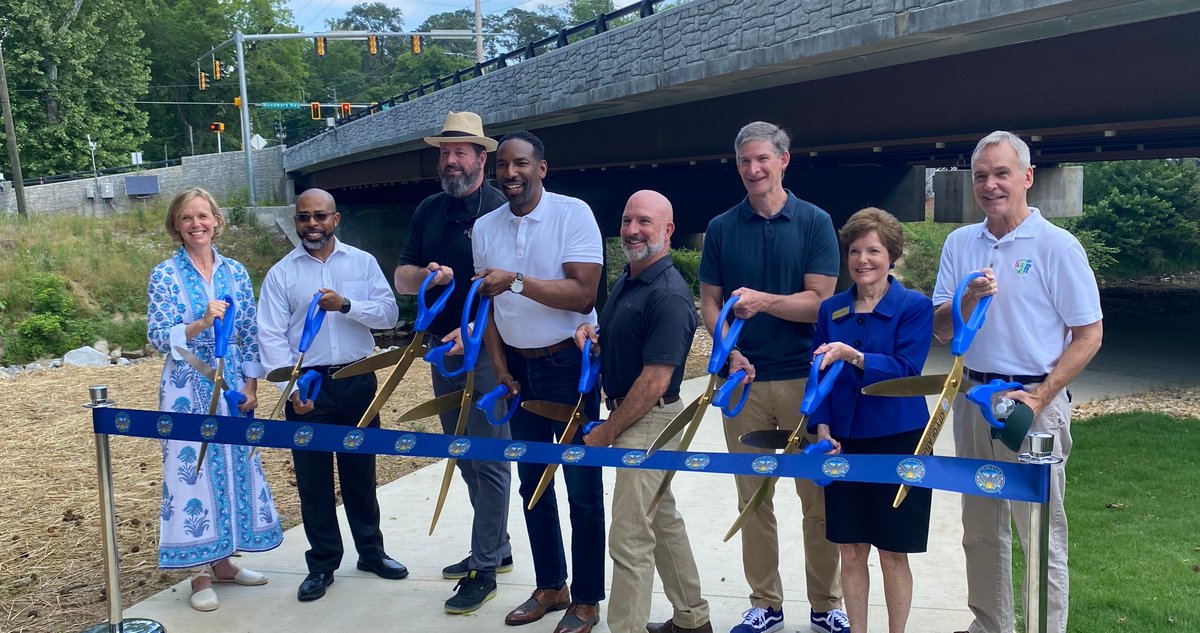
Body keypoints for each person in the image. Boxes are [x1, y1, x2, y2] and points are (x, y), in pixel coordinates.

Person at [936, 132, 1102, 633]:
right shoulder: (960, 243)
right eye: (981, 176)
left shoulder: (1056, 246)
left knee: (1040, 532)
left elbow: (1089, 335)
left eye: (1001, 173)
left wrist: (1040, 395)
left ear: (1027, 177)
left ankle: (1043, 629)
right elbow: (942, 329)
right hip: (972, 399)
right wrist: (967, 299)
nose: (990, 185)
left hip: (1034, 404)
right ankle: (990, 624)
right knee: (981, 527)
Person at [698, 121, 847, 633]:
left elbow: (819, 303)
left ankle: (827, 606)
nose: (753, 169)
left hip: (805, 383)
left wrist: (765, 302)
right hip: (745, 383)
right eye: (744, 161)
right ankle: (766, 603)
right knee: (753, 498)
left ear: (784, 160)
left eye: (763, 159)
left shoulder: (815, 222)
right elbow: (710, 302)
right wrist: (727, 348)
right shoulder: (721, 227)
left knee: (818, 498)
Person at [472, 131, 606, 633]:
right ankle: (552, 585)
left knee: (581, 485)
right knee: (533, 482)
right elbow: (484, 304)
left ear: (542, 168)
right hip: (519, 372)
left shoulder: (574, 214)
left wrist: (518, 280)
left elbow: (583, 294)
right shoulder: (485, 228)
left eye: (521, 163)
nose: (511, 173)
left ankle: (588, 598)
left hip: (569, 367)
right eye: (503, 165)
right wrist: (500, 367)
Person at [257, 188, 406, 603]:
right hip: (308, 387)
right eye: (303, 217)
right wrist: (290, 389)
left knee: (361, 472)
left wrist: (346, 305)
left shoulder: (362, 262)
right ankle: (322, 564)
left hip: (358, 380)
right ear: (296, 221)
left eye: (319, 216)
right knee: (313, 479)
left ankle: (372, 554)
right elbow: (269, 335)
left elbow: (389, 314)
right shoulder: (282, 273)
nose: (311, 225)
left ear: (335, 219)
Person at [576, 190, 712, 633]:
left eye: (645, 222)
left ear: (668, 231)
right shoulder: (629, 279)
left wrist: (607, 431)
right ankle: (693, 619)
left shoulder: (668, 294)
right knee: (662, 519)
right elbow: (631, 342)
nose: (633, 230)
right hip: (639, 416)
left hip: (647, 419)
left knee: (630, 537)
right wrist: (598, 339)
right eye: (627, 219)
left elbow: (655, 380)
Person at [395, 110, 514, 614]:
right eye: (444, 152)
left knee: (488, 459)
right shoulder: (428, 210)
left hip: (487, 351)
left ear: (481, 158)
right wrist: (429, 275)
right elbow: (400, 278)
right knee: (463, 453)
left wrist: (472, 332)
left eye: (460, 151)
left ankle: (484, 566)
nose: (450, 160)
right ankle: (497, 544)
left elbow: (513, 287)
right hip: (441, 354)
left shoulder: (501, 211)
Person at [146, 186, 282, 612]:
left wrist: (252, 386)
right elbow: (156, 335)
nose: (196, 225)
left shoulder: (236, 272)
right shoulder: (164, 275)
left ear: (217, 221)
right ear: (176, 225)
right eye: (187, 218)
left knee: (235, 463)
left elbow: (249, 333)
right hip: (187, 388)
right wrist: (201, 322)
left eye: (203, 216)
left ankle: (225, 562)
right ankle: (199, 572)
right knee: (193, 472)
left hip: (232, 385)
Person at [807, 207, 934, 633]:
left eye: (874, 250)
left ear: (892, 255)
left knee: (893, 551)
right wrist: (822, 427)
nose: (863, 259)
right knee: (851, 548)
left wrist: (855, 356)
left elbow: (907, 369)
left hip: (900, 439)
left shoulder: (914, 307)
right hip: (844, 439)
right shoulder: (831, 310)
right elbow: (818, 375)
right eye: (855, 250)